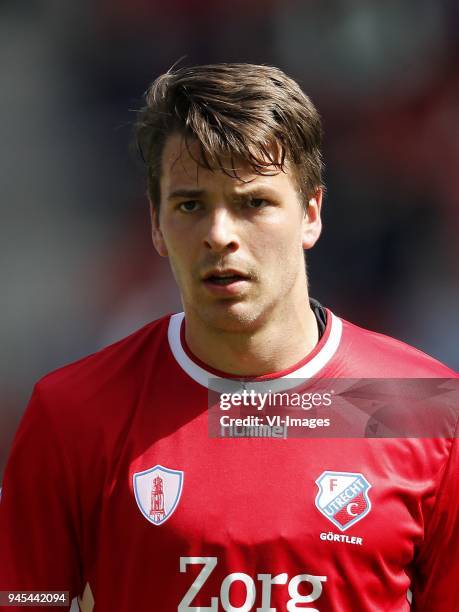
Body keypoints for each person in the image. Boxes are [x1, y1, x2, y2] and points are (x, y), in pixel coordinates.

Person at [0, 63, 457, 612]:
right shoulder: (73, 413)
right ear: (156, 224)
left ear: (310, 213)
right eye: (191, 205)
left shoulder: (422, 408)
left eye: (253, 203)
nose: (220, 235)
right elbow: (27, 599)